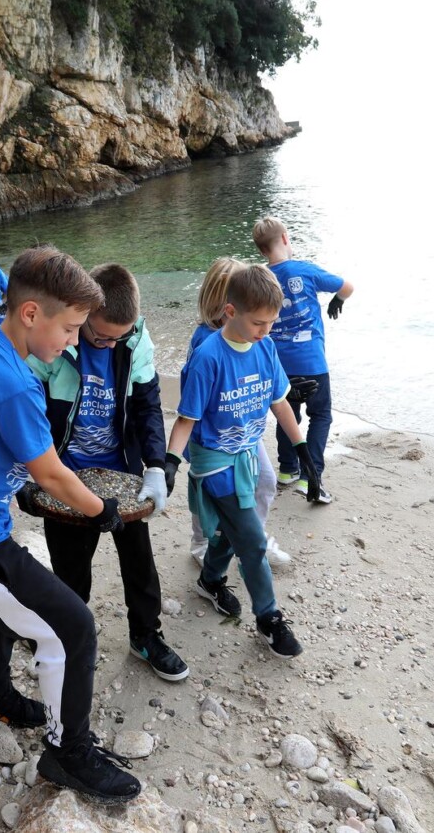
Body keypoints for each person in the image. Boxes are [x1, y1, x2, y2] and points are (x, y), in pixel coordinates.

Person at [0, 246, 141, 804]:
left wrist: (22, 487)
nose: (73, 342)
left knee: (1, 602)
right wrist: (103, 511)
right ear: (32, 314)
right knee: (72, 627)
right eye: (71, 328)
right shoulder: (14, 383)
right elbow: (55, 475)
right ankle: (68, 754)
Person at [25, 263, 188, 683]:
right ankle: (61, 638)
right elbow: (28, 415)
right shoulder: (56, 341)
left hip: (122, 472)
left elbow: (148, 406)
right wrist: (26, 477)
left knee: (140, 562)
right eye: (100, 336)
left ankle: (146, 636)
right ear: (82, 314)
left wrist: (158, 464)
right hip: (65, 475)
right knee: (70, 571)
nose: (112, 345)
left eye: (121, 337)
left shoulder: (135, 340)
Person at [166, 265, 319, 659]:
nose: (265, 331)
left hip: (248, 452)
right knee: (251, 541)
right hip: (214, 460)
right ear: (230, 312)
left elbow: (280, 403)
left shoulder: (265, 347)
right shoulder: (208, 357)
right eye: (258, 322)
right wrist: (168, 464)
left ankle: (211, 579)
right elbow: (187, 419)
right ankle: (269, 618)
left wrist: (304, 453)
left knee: (230, 532)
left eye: (271, 322)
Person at [187, 257, 290, 568]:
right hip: (212, 439)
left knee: (265, 481)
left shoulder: (257, 341)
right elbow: (193, 403)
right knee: (210, 496)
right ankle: (202, 542)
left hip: (245, 433)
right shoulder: (207, 343)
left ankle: (251, 536)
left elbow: (267, 380)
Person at [254, 216, 354, 503]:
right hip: (312, 361)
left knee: (288, 414)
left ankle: (287, 469)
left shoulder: (262, 276)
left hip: (278, 363)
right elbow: (347, 286)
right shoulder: (305, 270)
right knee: (321, 415)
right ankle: (311, 476)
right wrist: (338, 300)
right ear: (285, 238)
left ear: (262, 251)